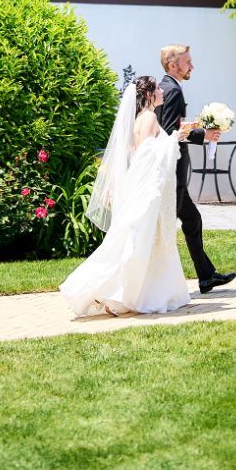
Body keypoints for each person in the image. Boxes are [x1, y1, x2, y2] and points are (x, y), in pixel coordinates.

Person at [60, 76, 191, 317]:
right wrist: (176, 137)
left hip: (139, 184)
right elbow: (148, 153)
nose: (162, 91)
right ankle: (124, 293)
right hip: (148, 187)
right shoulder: (150, 117)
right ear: (150, 95)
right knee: (144, 239)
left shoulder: (138, 119)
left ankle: (120, 292)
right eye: (158, 88)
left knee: (134, 238)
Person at [157, 44, 236, 294]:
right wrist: (204, 134)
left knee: (192, 220)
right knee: (168, 227)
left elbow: (169, 126)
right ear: (173, 65)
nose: (192, 65)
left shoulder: (166, 87)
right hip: (172, 170)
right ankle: (162, 283)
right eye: (187, 61)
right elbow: (170, 131)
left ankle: (206, 276)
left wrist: (196, 126)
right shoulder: (172, 91)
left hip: (172, 170)